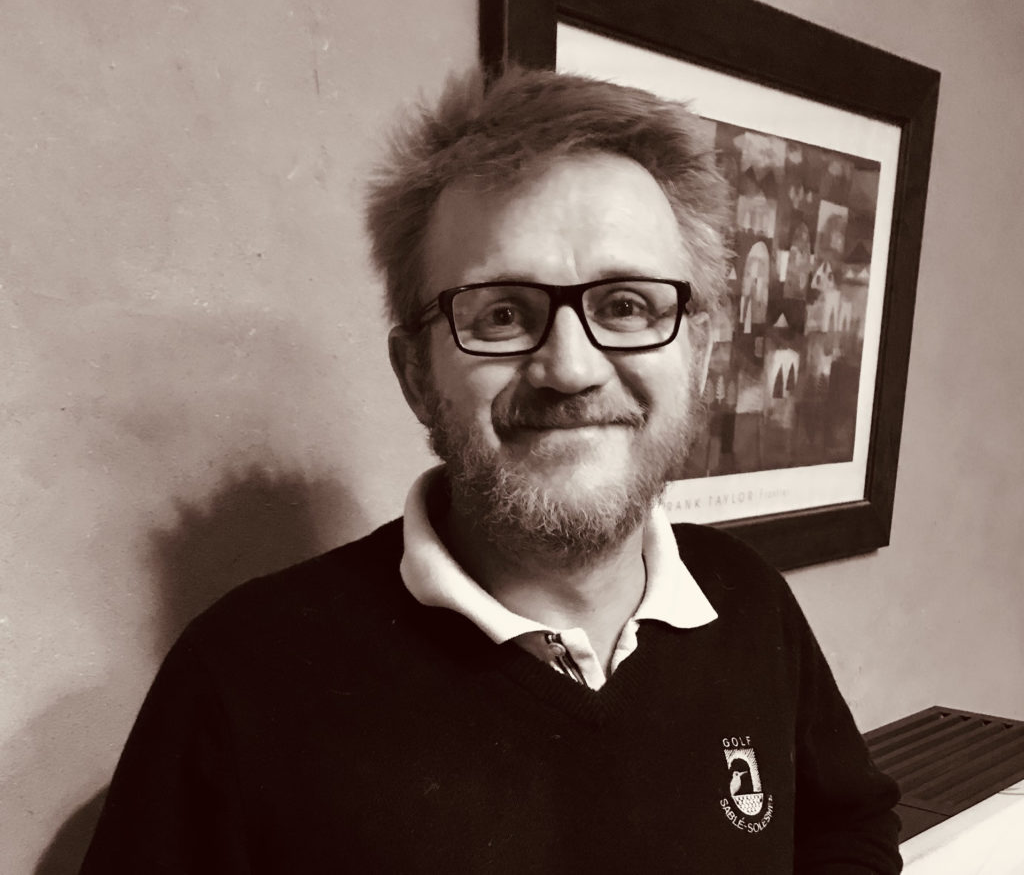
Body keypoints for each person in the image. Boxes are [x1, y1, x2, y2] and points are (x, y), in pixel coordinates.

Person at [81, 67, 902, 873]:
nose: (571, 368)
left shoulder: (749, 601)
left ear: (702, 353)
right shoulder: (239, 681)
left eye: (626, 305)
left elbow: (848, 827)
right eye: (502, 314)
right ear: (416, 374)